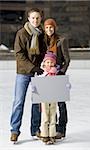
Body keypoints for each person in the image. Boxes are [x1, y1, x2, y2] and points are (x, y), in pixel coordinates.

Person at [10, 8, 46, 142]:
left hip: (38, 72)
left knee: (37, 102)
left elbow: (45, 52)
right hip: (23, 72)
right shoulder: (22, 33)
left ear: (40, 19)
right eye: (33, 18)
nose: (35, 20)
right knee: (18, 101)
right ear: (28, 19)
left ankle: (35, 129)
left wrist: (43, 67)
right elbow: (19, 54)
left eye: (37, 18)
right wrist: (33, 67)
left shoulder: (42, 34)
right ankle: (14, 130)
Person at [43, 18, 70, 139]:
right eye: (47, 27)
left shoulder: (61, 40)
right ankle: (48, 129)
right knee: (47, 105)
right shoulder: (42, 41)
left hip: (58, 75)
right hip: (47, 76)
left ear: (54, 28)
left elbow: (67, 59)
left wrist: (61, 72)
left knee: (60, 104)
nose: (49, 29)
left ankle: (61, 129)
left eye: (51, 27)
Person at [39, 51, 58, 144]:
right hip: (44, 97)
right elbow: (37, 85)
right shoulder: (42, 74)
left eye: (51, 62)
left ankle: (52, 134)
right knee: (45, 115)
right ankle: (45, 135)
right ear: (44, 63)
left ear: (54, 63)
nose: (49, 64)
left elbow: (61, 84)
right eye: (47, 62)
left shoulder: (56, 74)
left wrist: (66, 86)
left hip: (53, 97)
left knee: (53, 115)